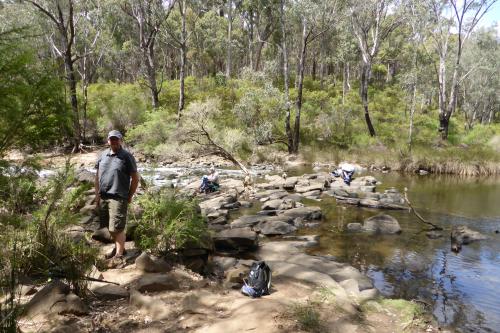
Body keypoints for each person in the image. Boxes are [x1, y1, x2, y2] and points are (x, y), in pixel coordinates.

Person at [95, 130, 139, 264]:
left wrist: (129, 196)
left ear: (120, 140)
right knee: (109, 226)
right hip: (103, 196)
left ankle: (119, 255)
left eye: (116, 139)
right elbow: (97, 176)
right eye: (111, 139)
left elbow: (135, 178)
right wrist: (97, 194)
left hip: (118, 196)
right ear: (108, 140)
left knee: (117, 227)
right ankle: (119, 249)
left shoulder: (126, 156)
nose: (113, 141)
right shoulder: (102, 155)